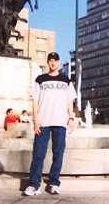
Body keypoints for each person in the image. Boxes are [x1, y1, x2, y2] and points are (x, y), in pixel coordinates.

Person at [24, 52, 76, 196]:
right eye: (50, 61)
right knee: (38, 155)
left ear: (59, 62)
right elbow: (34, 100)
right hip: (43, 122)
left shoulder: (66, 80)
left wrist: (71, 118)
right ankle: (34, 185)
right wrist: (35, 120)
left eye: (55, 61)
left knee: (58, 154)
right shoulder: (40, 79)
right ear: (47, 62)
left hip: (60, 122)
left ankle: (54, 183)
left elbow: (70, 101)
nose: (53, 63)